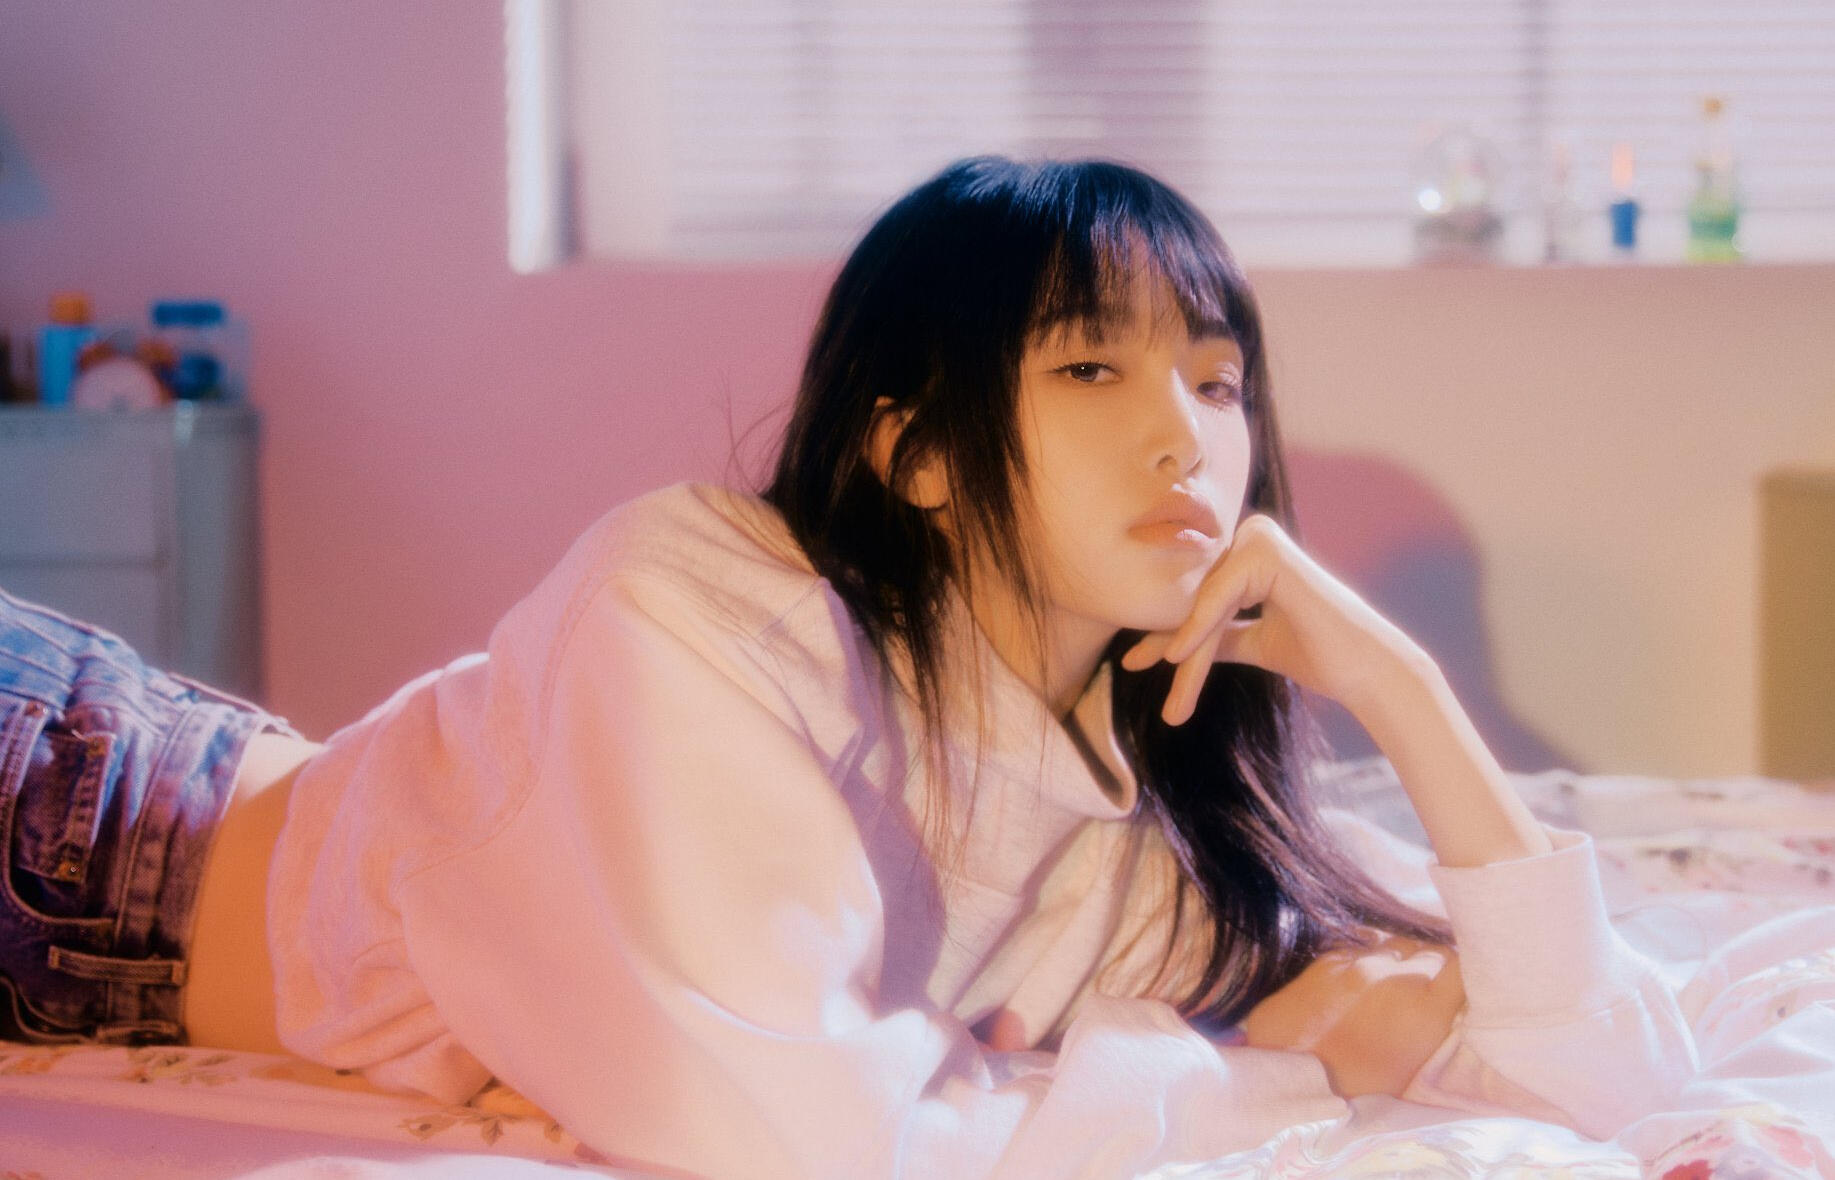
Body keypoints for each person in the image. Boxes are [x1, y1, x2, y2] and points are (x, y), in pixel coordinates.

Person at [0, 156, 1697, 1178]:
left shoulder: (1132, 837)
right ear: (917, 454)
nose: (1186, 437)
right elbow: (783, 1125)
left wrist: (1400, 689)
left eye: (1214, 380)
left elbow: (1602, 1086)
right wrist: (1267, 1078)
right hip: (83, 821)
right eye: (1091, 370)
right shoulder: (697, 605)